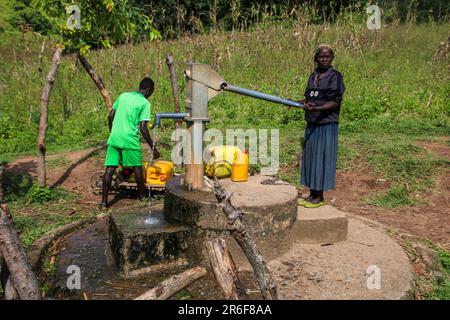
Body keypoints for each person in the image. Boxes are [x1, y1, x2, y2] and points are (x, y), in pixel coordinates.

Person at [100, 77, 160, 209]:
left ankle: (103, 203)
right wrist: (153, 147)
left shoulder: (123, 96)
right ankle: (142, 198)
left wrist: (113, 132)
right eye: (151, 93)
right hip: (130, 139)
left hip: (115, 137)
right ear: (148, 91)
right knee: (137, 168)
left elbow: (110, 116)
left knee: (109, 169)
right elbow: (143, 128)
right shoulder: (145, 103)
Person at [297, 44, 345, 208]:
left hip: (326, 124)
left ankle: (319, 196)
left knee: (321, 158)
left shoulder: (335, 76)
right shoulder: (313, 76)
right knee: (310, 158)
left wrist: (316, 108)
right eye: (321, 57)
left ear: (332, 58)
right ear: (316, 59)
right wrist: (295, 102)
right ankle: (312, 194)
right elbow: (308, 98)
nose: (324, 59)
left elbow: (335, 101)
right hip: (312, 123)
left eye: (327, 56)